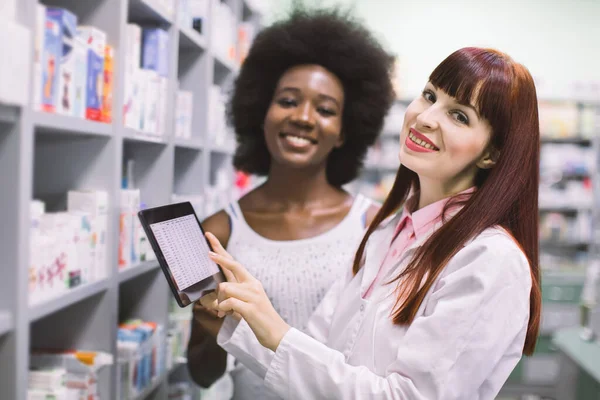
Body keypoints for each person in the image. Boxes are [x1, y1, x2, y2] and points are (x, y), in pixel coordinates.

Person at [201, 46, 543, 400]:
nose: (426, 118)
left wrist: (274, 328)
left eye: (459, 116)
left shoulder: (490, 260)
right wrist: (235, 317)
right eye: (429, 96)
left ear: (491, 154)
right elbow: (320, 356)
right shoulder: (386, 234)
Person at [186, 7, 395, 399]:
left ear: (346, 130)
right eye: (287, 100)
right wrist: (211, 327)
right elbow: (202, 374)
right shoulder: (219, 231)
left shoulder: (375, 227)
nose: (303, 117)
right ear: (260, 112)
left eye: (325, 109)